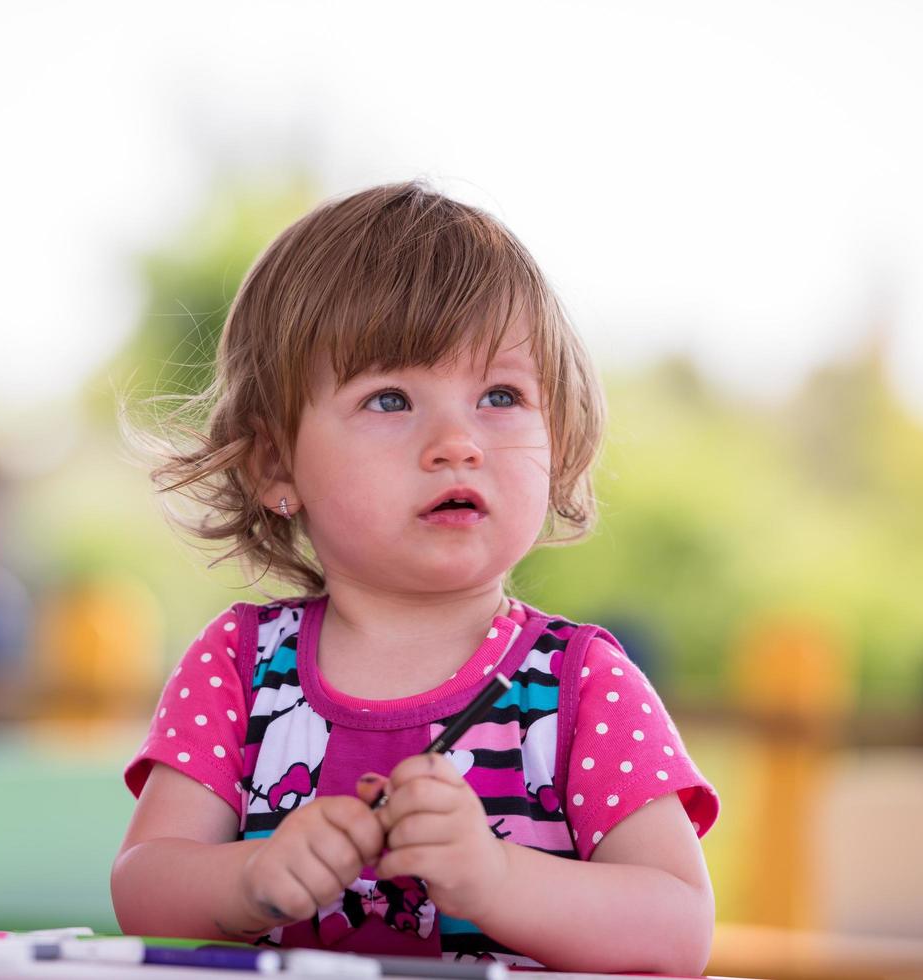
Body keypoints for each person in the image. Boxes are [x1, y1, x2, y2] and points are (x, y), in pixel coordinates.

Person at [110, 182, 719, 974]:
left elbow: (677, 929)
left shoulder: (580, 686)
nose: (457, 442)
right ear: (273, 463)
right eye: (390, 398)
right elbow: (143, 885)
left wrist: (496, 878)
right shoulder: (239, 667)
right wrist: (251, 877)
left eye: (500, 395)